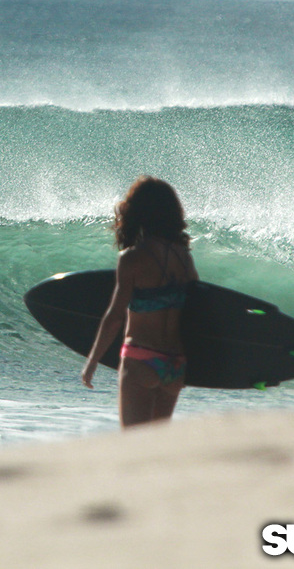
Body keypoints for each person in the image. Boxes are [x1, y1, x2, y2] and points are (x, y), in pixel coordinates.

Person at [81, 176, 199, 428]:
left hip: (141, 359)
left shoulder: (133, 258)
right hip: (175, 365)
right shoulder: (184, 257)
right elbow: (196, 308)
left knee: (134, 446)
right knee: (154, 448)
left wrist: (92, 361)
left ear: (137, 211)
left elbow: (115, 316)